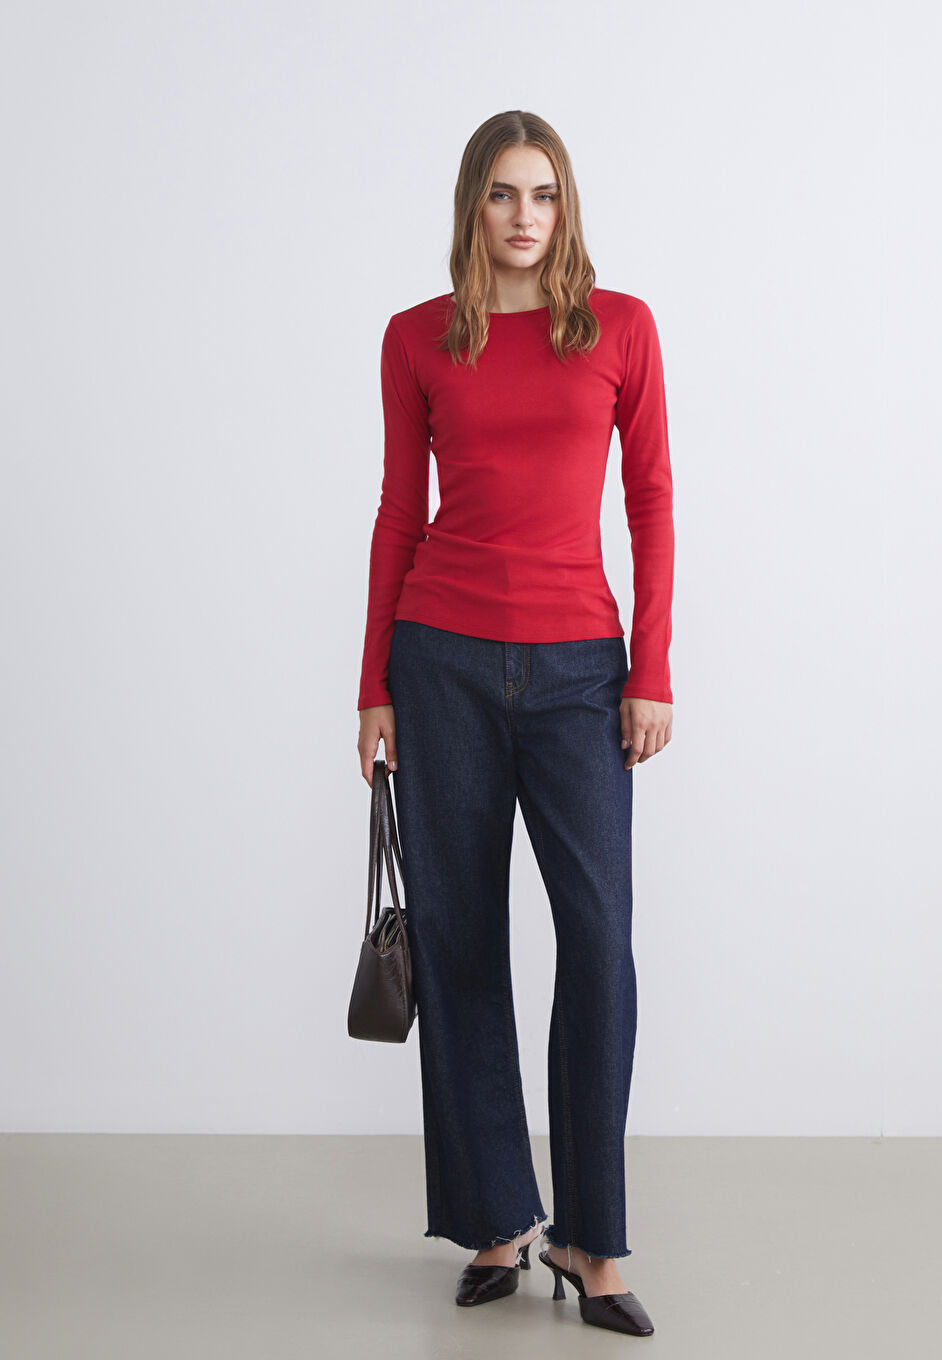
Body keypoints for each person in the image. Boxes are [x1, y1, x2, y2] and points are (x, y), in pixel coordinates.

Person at [356, 109, 672, 1339]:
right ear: (472, 207)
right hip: (438, 663)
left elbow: (651, 500)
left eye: (542, 194)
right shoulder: (418, 338)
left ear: (566, 206)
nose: (523, 215)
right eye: (501, 193)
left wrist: (652, 667)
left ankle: (593, 1236)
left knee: (598, 944)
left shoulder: (621, 329)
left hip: (582, 671)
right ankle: (498, 1218)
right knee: (460, 940)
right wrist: (374, 686)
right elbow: (400, 510)